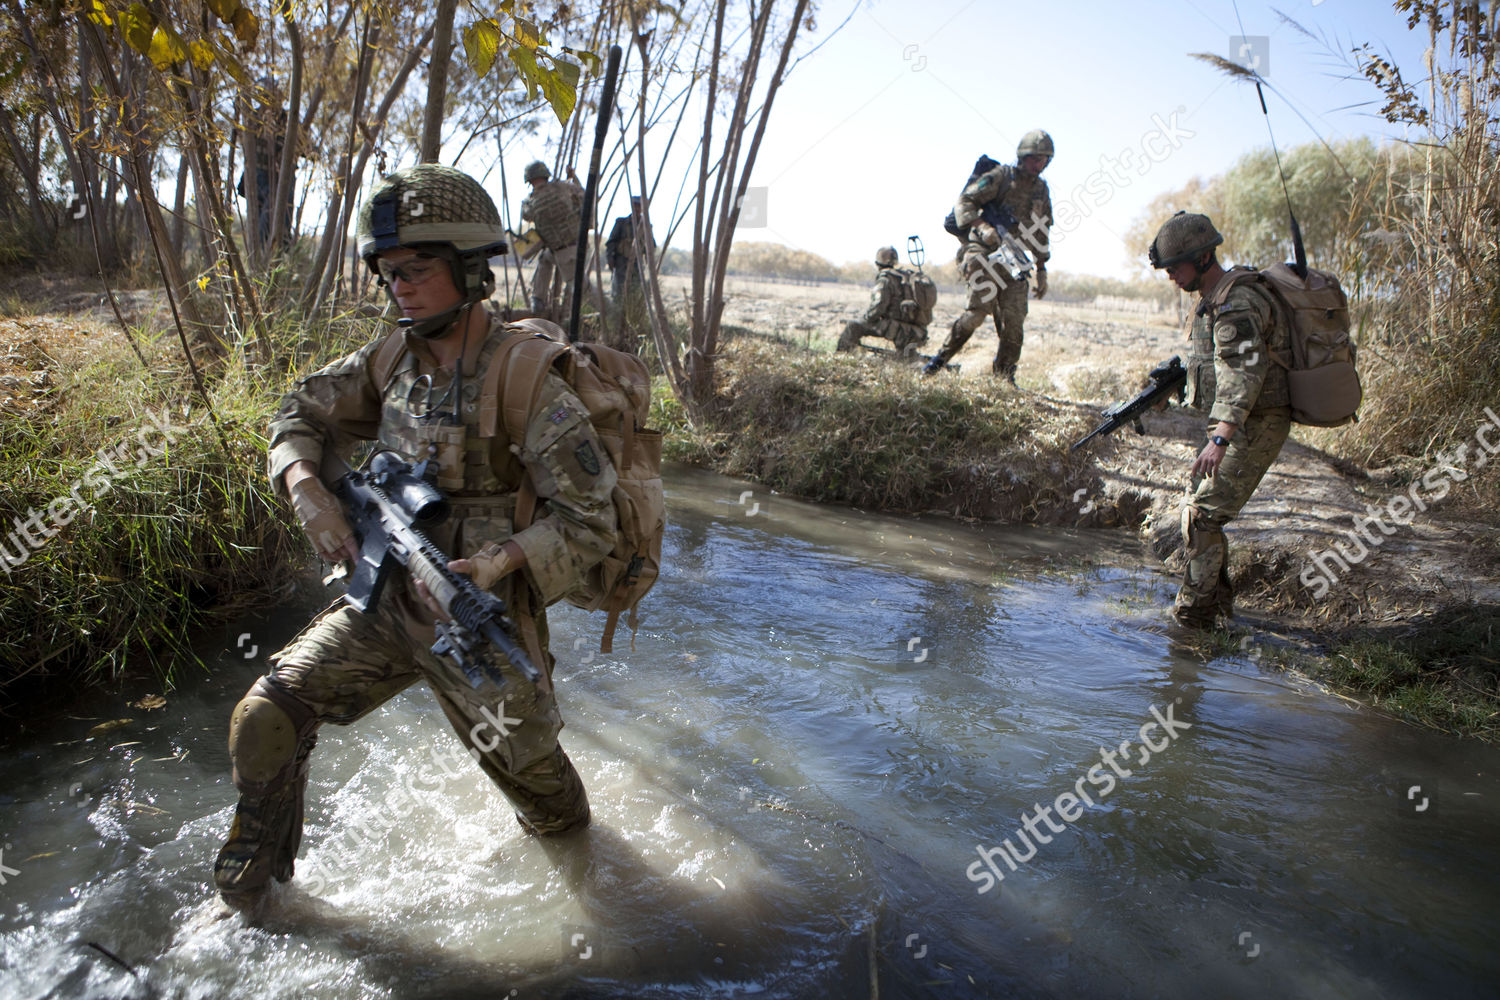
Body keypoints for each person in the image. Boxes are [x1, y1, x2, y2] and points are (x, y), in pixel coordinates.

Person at [213, 164, 618, 910]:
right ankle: (249, 890)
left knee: (554, 816)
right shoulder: (389, 360)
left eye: (417, 270)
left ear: (469, 270)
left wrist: (498, 562)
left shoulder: (529, 382)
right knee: (265, 716)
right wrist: (308, 490)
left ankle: (590, 908)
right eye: (388, 272)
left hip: (477, 623)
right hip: (384, 599)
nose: (399, 286)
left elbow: (595, 520)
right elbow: (295, 410)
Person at [1148, 210, 1291, 629]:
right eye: (1167, 269)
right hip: (1236, 421)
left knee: (1204, 514)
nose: (1172, 276)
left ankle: (1191, 619)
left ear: (1205, 258)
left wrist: (1222, 435)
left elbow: (1245, 372)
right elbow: (1214, 368)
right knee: (1200, 503)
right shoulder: (1210, 303)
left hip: (1254, 421)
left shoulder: (1236, 303)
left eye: (1176, 267)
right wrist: (1173, 387)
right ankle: (1219, 604)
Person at [924, 129, 1055, 383]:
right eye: (1034, 158)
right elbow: (965, 201)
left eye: (1044, 160)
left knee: (1014, 322)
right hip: (981, 251)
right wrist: (984, 228)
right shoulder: (1001, 177)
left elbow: (1042, 231)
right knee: (976, 314)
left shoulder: (1042, 190)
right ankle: (937, 363)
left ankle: (1004, 378)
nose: (1038, 164)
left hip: (1013, 258)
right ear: (1023, 155)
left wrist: (1041, 269)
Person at [518, 161, 585, 318]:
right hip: (570, 245)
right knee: (545, 259)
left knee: (583, 288)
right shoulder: (562, 187)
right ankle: (539, 299)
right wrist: (573, 177)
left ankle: (610, 313)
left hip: (565, 250)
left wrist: (529, 197)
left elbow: (526, 215)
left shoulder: (535, 199)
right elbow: (582, 193)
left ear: (531, 180)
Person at [835, 246, 928, 355]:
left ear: (878, 263)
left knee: (853, 326)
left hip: (897, 328)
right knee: (905, 358)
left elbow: (878, 307)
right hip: (916, 331)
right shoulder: (904, 277)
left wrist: (865, 319)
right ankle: (907, 355)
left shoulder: (885, 279)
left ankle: (841, 355)